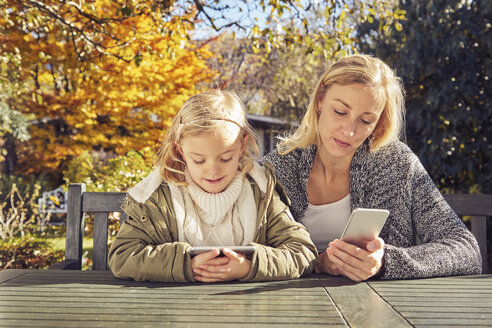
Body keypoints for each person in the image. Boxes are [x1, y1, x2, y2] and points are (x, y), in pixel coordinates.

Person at [261, 54, 482, 281]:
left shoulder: (398, 164)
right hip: (290, 307)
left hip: (382, 308)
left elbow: (466, 250)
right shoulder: (277, 168)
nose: (349, 131)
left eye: (366, 121)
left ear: (378, 123)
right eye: (340, 111)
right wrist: (318, 262)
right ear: (320, 101)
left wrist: (385, 262)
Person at [108, 89, 317, 283]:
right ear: (180, 150)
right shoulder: (158, 197)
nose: (213, 171)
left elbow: (302, 252)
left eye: (226, 158)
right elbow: (123, 255)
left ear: (242, 145)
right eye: (199, 160)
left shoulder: (262, 191)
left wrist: (249, 267)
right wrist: (185, 265)